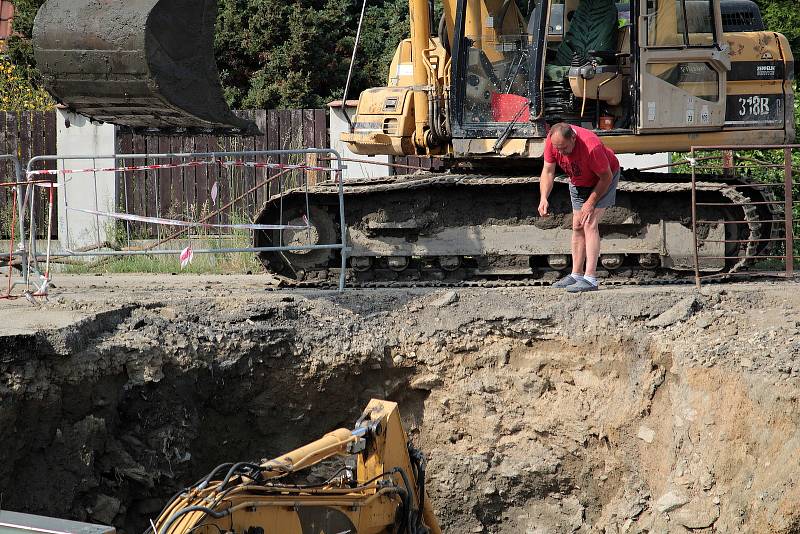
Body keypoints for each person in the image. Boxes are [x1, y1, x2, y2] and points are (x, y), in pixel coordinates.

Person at [537, 123, 621, 293]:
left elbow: (606, 177)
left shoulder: (591, 147)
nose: (560, 152)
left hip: (603, 180)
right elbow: (548, 171)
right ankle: (576, 275)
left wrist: (590, 203)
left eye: (564, 148)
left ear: (573, 138)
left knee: (589, 223)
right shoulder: (553, 141)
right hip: (578, 181)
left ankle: (590, 279)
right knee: (577, 226)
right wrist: (544, 197)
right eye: (557, 148)